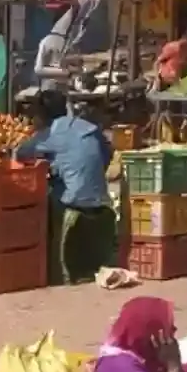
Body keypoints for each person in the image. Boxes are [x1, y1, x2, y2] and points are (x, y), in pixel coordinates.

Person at [16, 88, 115, 283]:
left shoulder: (52, 133)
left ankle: (49, 267)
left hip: (74, 200)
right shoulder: (86, 126)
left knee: (39, 200)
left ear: (42, 115)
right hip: (100, 196)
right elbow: (107, 152)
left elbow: (21, 153)